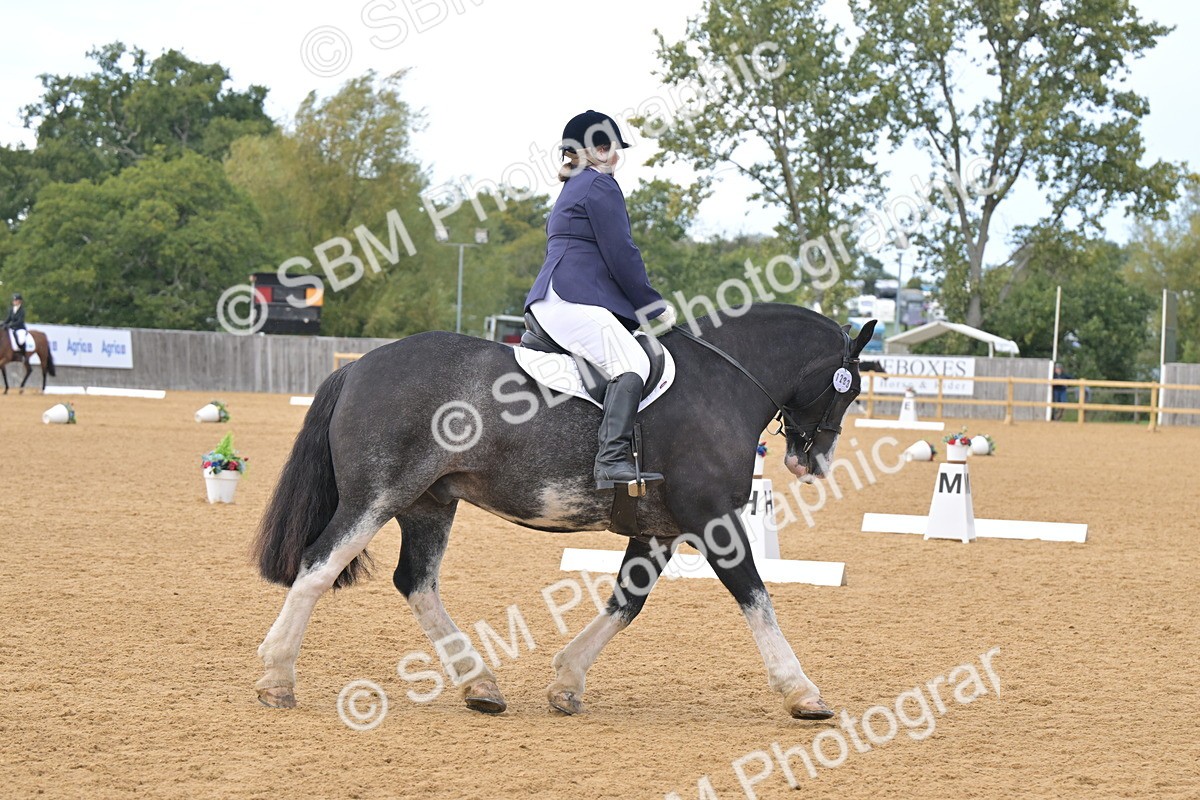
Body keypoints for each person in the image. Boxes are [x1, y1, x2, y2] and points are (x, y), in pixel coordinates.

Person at [525, 110, 676, 492]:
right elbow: (622, 254)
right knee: (633, 363)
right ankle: (610, 462)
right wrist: (653, 306)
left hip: (551, 298)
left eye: (615, 148)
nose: (616, 157)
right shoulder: (598, 185)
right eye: (608, 147)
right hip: (571, 298)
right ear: (591, 150)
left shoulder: (573, 186)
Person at [3, 293, 28, 362]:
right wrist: (3, 324)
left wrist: (10, 325)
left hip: (20, 328)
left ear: (20, 301)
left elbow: (20, 321)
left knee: (21, 340)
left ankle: (23, 355)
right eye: (14, 300)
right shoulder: (11, 309)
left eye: (16, 300)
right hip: (12, 328)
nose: (14, 301)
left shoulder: (22, 310)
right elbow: (8, 319)